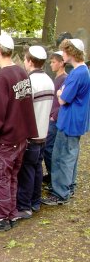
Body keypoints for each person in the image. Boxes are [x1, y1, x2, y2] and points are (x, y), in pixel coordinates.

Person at [0, 34, 38, 231]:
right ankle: (11, 212)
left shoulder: (1, 77)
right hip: (21, 135)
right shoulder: (22, 73)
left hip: (5, 138)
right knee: (12, 176)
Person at [42, 38, 90, 205]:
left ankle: (60, 193)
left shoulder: (78, 73)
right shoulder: (82, 71)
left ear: (71, 52)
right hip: (74, 119)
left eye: (64, 51)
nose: (62, 54)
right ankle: (68, 186)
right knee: (71, 155)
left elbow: (63, 99)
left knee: (62, 156)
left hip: (70, 120)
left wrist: (60, 94)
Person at [16, 46, 54, 218]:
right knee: (37, 168)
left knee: (27, 171)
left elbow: (21, 110)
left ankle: (24, 206)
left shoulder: (29, 83)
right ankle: (36, 201)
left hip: (30, 134)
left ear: (30, 61)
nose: (24, 62)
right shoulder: (49, 80)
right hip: (43, 132)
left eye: (25, 59)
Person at [42, 51, 67, 185]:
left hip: (55, 119)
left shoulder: (64, 78)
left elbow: (63, 101)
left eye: (54, 62)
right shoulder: (57, 77)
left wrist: (53, 116)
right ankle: (52, 176)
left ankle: (54, 178)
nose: (51, 64)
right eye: (51, 62)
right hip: (51, 117)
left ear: (61, 63)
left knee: (49, 149)